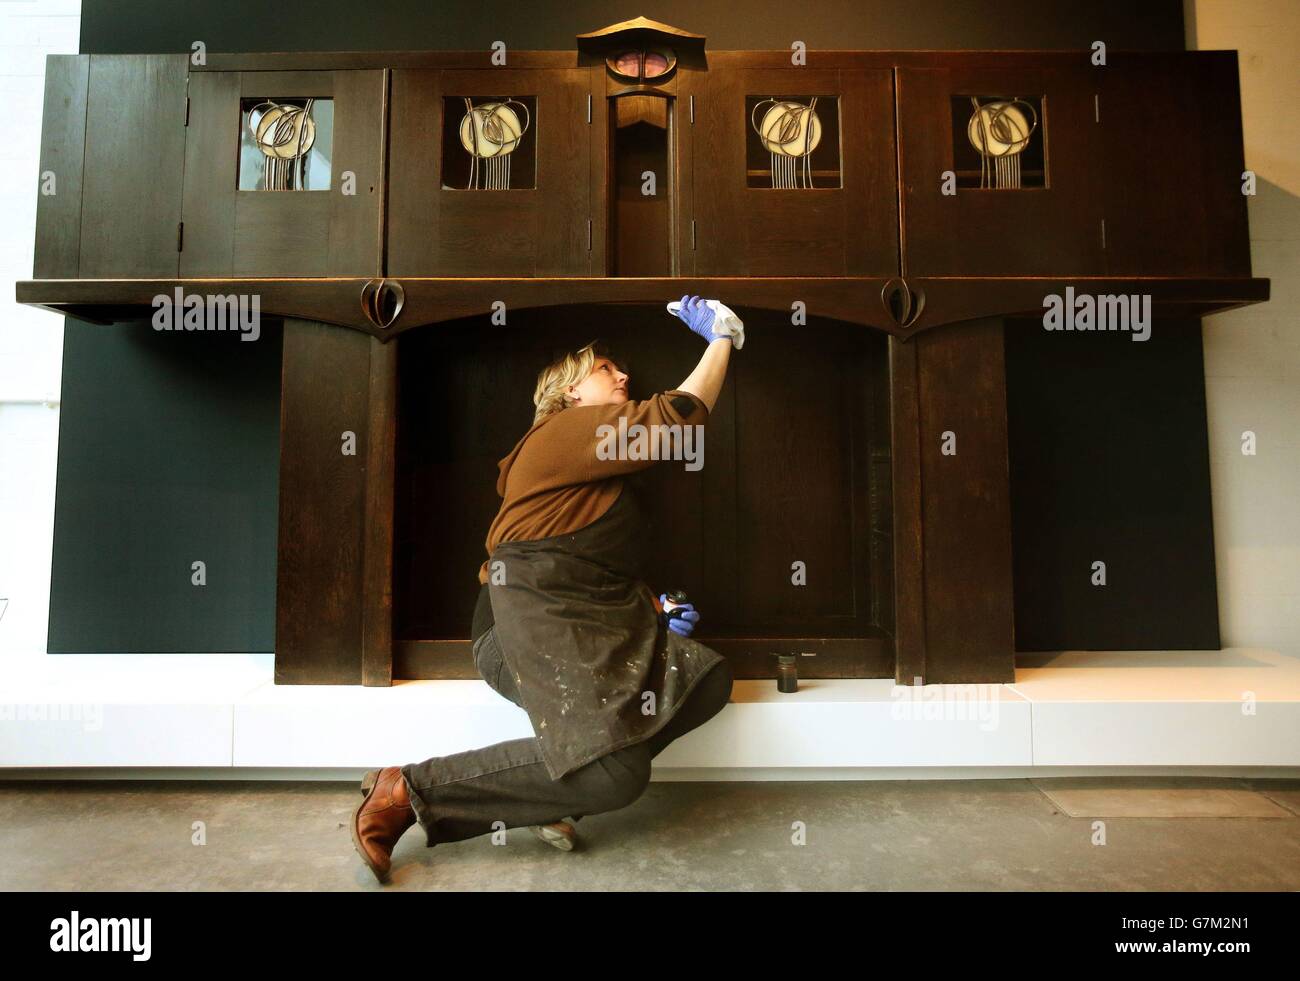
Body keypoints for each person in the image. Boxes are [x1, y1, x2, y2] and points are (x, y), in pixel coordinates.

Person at [351, 295, 738, 884]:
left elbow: (589, 573)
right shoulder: (560, 433)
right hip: (515, 630)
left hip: (572, 622)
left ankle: (556, 797)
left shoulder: (587, 465)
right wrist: (722, 339)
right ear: (569, 396)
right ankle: (406, 788)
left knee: (705, 679)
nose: (623, 375)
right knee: (617, 774)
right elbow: (677, 417)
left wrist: (655, 608)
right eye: (606, 370)